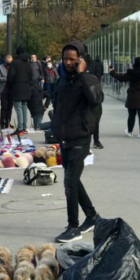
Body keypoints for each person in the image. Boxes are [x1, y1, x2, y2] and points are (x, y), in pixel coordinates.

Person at [52, 42, 103, 243]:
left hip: (80, 138)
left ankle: (73, 226)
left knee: (69, 182)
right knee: (73, 180)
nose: (68, 62)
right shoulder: (63, 80)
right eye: (66, 59)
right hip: (65, 138)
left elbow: (96, 99)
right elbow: (59, 107)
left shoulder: (89, 79)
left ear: (81, 59)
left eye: (73, 59)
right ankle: (91, 216)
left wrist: (82, 75)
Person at [110, 57, 140, 139]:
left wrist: (112, 72)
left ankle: (130, 131)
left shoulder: (132, 73)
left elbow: (121, 78)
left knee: (131, 115)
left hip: (133, 96)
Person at [7, 46, 33, 135]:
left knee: (18, 108)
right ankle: (24, 127)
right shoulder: (28, 63)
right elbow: (31, 76)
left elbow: (10, 77)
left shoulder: (15, 63)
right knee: (24, 108)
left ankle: (20, 128)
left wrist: (9, 86)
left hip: (17, 89)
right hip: (26, 88)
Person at [84, 45, 104, 149]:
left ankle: (96, 140)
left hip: (93, 94)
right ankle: (85, 142)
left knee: (95, 120)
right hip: (81, 96)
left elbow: (98, 77)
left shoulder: (93, 64)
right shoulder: (73, 64)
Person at [0, 55, 13, 129]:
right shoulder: (0, 67)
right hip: (3, 89)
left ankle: (8, 123)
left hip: (12, 89)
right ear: (5, 60)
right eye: (7, 61)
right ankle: (2, 123)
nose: (8, 62)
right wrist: (8, 79)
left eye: (10, 61)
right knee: (4, 107)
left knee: (10, 107)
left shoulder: (13, 67)